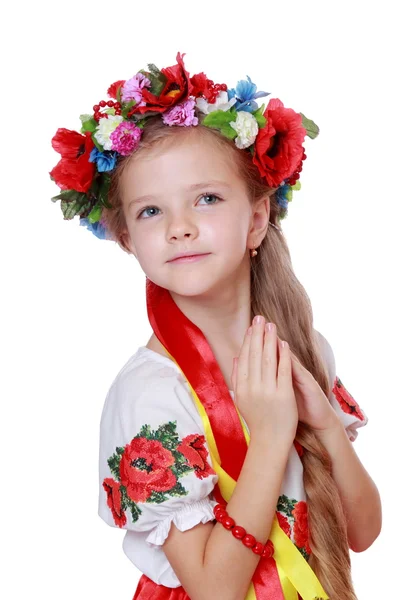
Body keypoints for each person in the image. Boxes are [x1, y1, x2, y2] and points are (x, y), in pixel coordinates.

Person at [49, 51, 381, 600]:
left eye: (206, 199)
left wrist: (322, 423)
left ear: (256, 219)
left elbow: (362, 533)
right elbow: (212, 590)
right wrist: (272, 435)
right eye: (151, 211)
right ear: (129, 240)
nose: (180, 227)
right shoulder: (150, 393)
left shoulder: (304, 348)